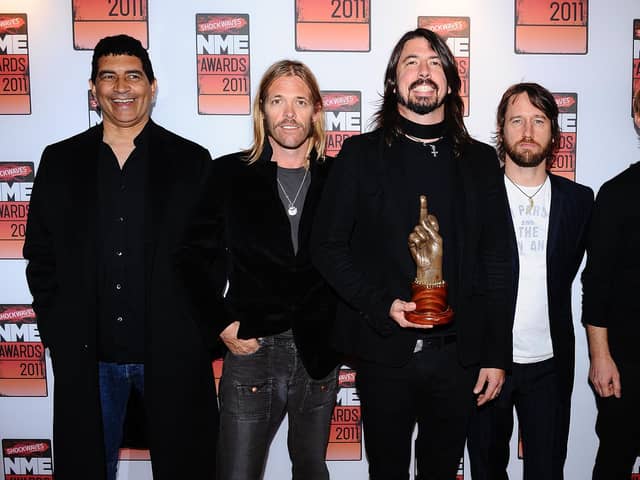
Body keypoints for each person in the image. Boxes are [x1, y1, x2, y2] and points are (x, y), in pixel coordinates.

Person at [311, 28, 511, 480]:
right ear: (392, 82)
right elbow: (327, 246)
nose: (423, 71)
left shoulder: (480, 162)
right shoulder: (360, 155)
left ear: (451, 83)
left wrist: (496, 352)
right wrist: (382, 304)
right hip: (384, 353)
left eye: (434, 62)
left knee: (442, 471)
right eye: (410, 62)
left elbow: (498, 260)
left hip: (460, 357)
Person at [23, 35, 218, 480]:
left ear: (152, 86)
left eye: (133, 75)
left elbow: (212, 257)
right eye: (108, 77)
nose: (121, 86)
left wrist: (194, 330)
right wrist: (58, 328)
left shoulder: (191, 161)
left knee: (188, 467)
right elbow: (40, 255)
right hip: (89, 359)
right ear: (93, 89)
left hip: (171, 356)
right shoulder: (60, 161)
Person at [176, 59, 339, 480]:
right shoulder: (230, 172)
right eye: (277, 101)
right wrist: (221, 324)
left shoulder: (338, 177)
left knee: (311, 469)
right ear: (262, 110)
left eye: (300, 102)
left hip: (318, 353)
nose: (288, 113)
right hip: (252, 347)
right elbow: (190, 256)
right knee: (236, 472)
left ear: (316, 111)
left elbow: (357, 258)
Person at [466, 82, 593, 480]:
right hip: (487, 362)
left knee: (547, 470)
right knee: (487, 469)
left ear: (554, 132)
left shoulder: (579, 201)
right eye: (516, 120)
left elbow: (580, 274)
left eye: (539, 121)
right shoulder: (476, 198)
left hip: (551, 364)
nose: (527, 130)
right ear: (501, 130)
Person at [582, 89, 640, 480]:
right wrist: (599, 357)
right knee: (615, 462)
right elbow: (596, 283)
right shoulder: (617, 194)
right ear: (638, 114)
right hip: (628, 365)